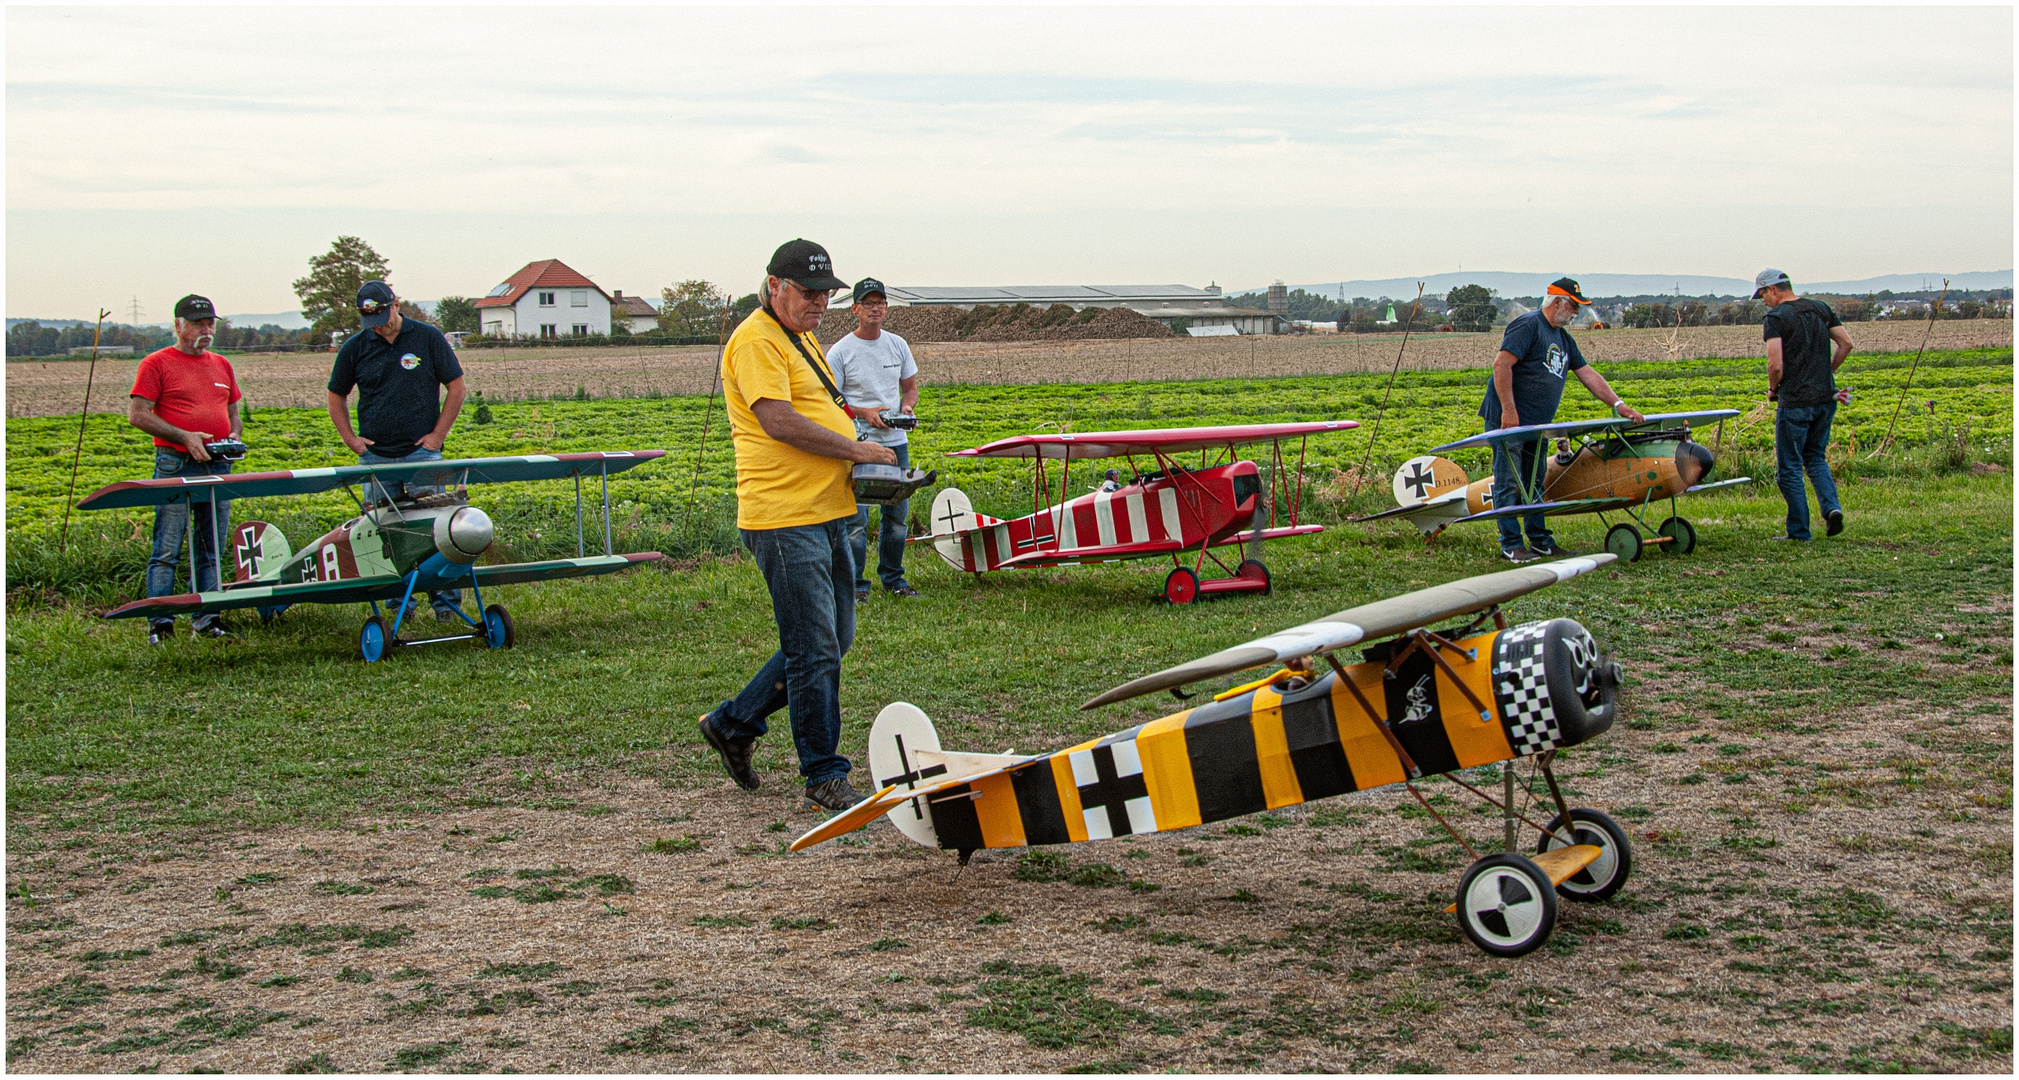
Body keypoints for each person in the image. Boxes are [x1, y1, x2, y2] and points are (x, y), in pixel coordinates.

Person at [696, 240, 898, 812]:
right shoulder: (757, 339)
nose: (820, 304)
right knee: (814, 649)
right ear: (774, 285)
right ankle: (823, 774)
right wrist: (855, 449)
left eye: (826, 294)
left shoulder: (798, 334)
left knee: (833, 640)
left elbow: (816, 404)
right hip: (785, 517)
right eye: (809, 293)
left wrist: (857, 437)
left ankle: (734, 724)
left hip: (829, 507)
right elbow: (779, 421)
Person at [325, 280, 469, 620]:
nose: (380, 326)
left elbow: (457, 387)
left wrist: (437, 435)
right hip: (376, 457)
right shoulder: (355, 347)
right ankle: (398, 606)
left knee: (436, 528)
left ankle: (445, 604)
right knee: (381, 531)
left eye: (384, 316)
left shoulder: (428, 337)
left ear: (396, 304)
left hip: (423, 454)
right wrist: (350, 439)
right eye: (371, 320)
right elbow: (336, 395)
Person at [1479, 277, 1645, 563]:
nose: (1576, 313)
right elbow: (1501, 364)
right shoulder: (1528, 325)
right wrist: (1508, 410)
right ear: (1557, 302)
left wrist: (1618, 404)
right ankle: (1512, 546)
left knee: (1535, 483)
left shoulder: (1564, 338)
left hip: (1538, 427)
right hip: (1509, 423)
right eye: (1574, 306)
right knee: (1508, 482)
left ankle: (1541, 542)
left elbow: (1587, 373)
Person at [128, 294, 243, 645]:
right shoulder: (155, 363)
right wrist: (184, 436)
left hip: (217, 463)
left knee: (211, 546)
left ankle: (207, 619)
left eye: (209, 323)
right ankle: (160, 623)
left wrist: (233, 437)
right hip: (175, 462)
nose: (205, 330)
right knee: (167, 547)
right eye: (196, 323)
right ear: (178, 325)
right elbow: (138, 414)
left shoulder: (222, 364)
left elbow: (233, 413)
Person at [828, 276, 922, 602]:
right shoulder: (840, 352)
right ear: (854, 308)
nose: (875, 308)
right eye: (868, 303)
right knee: (856, 519)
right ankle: (855, 587)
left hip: (896, 441)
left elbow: (909, 388)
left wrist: (906, 408)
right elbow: (832, 402)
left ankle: (894, 581)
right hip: (860, 442)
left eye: (880, 302)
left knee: (897, 516)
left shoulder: (898, 344)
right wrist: (865, 413)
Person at [1754, 269, 1853, 541]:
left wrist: (1773, 390)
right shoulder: (1821, 309)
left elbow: (1775, 364)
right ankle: (1832, 508)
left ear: (1773, 289)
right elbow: (1846, 343)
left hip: (1795, 401)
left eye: (1762, 294)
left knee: (1789, 468)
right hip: (1826, 399)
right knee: (1816, 458)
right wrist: (1827, 373)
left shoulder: (1775, 318)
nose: (1763, 300)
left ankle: (1799, 531)